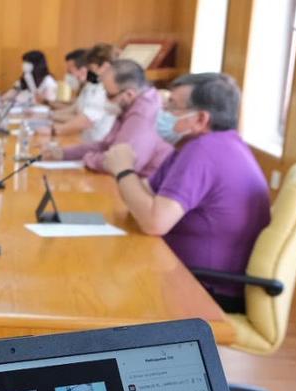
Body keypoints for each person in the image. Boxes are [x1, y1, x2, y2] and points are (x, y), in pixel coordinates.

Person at [101, 73, 271, 313]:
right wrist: (128, 175)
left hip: (204, 287)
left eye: (173, 107)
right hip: (179, 271)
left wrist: (123, 170)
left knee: (100, 288)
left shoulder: (205, 151)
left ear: (201, 118)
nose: (163, 113)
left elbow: (154, 222)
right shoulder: (199, 146)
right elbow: (146, 194)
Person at [48, 59, 172, 178]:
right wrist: (64, 153)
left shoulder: (143, 112)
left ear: (129, 94)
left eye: (109, 95)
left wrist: (88, 158)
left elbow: (123, 163)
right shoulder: (129, 104)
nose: (105, 100)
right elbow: (106, 145)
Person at [48, 46, 116, 143]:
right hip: (87, 142)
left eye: (91, 68)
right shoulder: (92, 86)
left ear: (105, 67)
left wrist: (54, 129)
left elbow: (86, 121)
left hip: (97, 143)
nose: (89, 72)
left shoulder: (104, 89)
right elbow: (75, 110)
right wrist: (49, 116)